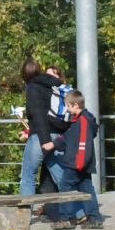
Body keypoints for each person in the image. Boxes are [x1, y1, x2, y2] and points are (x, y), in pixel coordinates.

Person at [51, 90, 105, 230]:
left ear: (75, 105)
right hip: (80, 163)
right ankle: (94, 218)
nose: (67, 109)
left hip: (76, 163)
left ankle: (66, 218)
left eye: (68, 106)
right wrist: (54, 144)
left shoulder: (83, 121)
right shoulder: (78, 121)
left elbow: (82, 144)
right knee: (87, 190)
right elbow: (69, 138)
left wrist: (79, 163)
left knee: (65, 188)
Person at [19, 59, 70, 198]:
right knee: (60, 175)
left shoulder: (32, 87)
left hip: (41, 137)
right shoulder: (53, 85)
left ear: (25, 75)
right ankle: (78, 211)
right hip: (58, 135)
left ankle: (24, 215)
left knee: (28, 176)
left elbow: (38, 114)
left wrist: (45, 140)